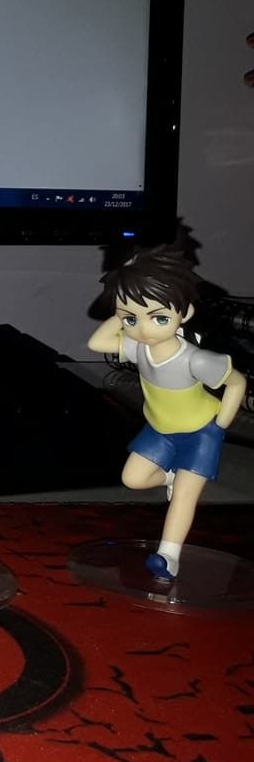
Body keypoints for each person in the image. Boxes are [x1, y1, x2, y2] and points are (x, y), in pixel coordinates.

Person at [87, 246, 246, 579]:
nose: (144, 329)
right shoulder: (138, 347)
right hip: (160, 430)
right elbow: (96, 344)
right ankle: (171, 476)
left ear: (184, 314)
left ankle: (168, 556)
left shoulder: (195, 359)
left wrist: (221, 424)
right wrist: (124, 306)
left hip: (200, 433)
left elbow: (237, 383)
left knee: (184, 499)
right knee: (132, 479)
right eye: (132, 319)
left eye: (159, 317)